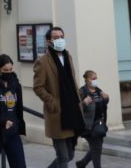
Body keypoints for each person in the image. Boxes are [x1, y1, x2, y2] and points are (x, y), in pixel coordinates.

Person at [33, 25, 84, 168]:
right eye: (56, 38)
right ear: (49, 41)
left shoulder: (68, 57)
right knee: (63, 157)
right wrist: (51, 101)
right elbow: (38, 87)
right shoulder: (42, 61)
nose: (60, 40)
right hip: (57, 114)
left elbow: (72, 82)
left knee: (70, 155)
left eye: (62, 37)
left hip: (72, 111)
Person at [75, 69, 109, 168]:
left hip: (99, 123)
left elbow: (103, 104)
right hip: (88, 125)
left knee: (97, 148)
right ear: (87, 80)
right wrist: (84, 103)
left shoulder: (98, 90)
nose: (95, 80)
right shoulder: (82, 91)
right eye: (93, 78)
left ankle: (82, 163)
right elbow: (75, 109)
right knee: (96, 149)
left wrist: (106, 98)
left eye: (96, 78)